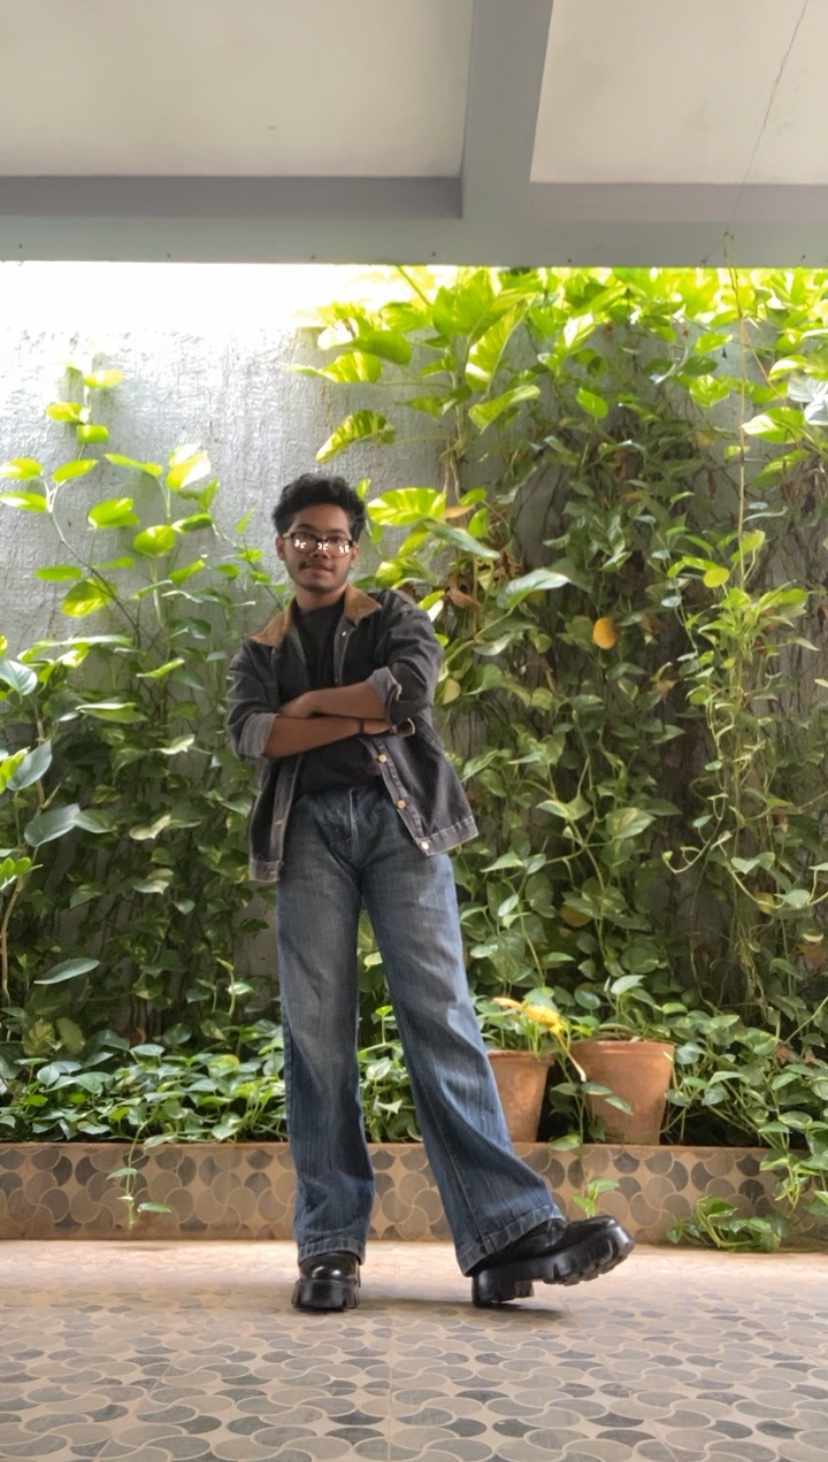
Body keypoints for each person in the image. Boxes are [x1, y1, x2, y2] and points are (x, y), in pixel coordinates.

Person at [227, 472, 633, 1310]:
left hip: (401, 828)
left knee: (440, 1016)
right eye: (305, 535)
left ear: (353, 550)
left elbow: (407, 692)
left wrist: (310, 707)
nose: (320, 550)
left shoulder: (397, 617)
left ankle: (505, 1237)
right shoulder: (260, 651)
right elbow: (253, 734)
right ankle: (329, 1247)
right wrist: (357, 714)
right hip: (307, 839)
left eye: (335, 538)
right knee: (316, 1037)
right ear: (282, 545)